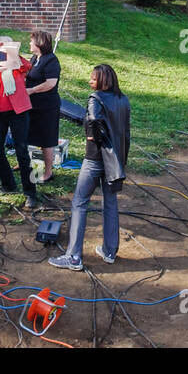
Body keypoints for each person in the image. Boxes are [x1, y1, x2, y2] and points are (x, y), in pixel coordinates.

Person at [50, 64, 130, 271]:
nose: (90, 82)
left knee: (79, 202)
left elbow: (94, 119)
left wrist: (92, 135)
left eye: (93, 79)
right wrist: (121, 161)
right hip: (115, 160)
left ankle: (74, 256)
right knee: (110, 202)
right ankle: (110, 251)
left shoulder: (96, 99)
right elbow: (125, 133)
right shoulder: (123, 100)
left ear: (102, 81)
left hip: (95, 159)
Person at [0, 35, 38, 208]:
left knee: (22, 151)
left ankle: (30, 192)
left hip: (18, 111)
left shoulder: (17, 65)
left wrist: (10, 51)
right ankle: (9, 185)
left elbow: (27, 66)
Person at [25, 30, 62, 183]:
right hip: (32, 105)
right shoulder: (35, 58)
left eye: (31, 41)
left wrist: (32, 90)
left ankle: (48, 172)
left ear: (39, 43)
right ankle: (26, 163)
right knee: (29, 134)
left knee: (46, 139)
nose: (29, 43)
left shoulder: (51, 60)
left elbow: (50, 83)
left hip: (47, 106)